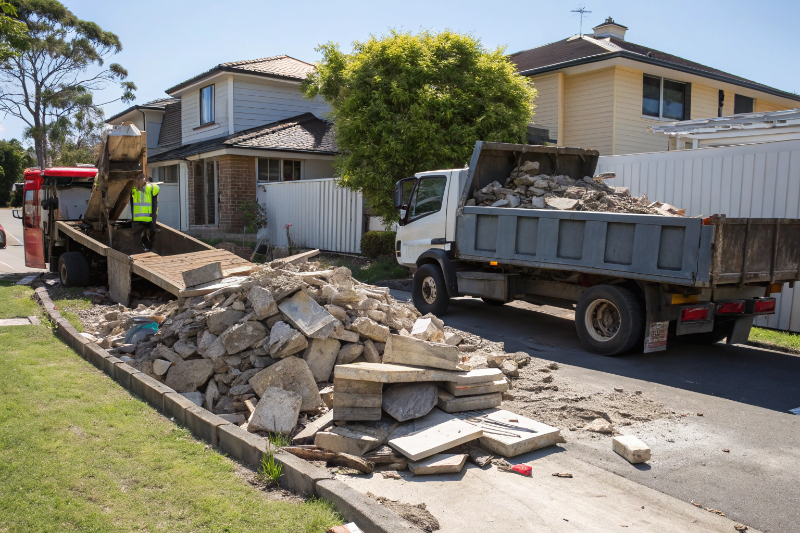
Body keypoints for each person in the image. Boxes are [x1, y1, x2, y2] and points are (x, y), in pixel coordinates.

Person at [131, 173, 159, 252]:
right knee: (148, 235)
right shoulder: (151, 188)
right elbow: (157, 188)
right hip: (148, 219)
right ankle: (148, 248)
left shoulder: (134, 189)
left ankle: (143, 248)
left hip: (138, 219)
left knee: (138, 237)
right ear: (145, 180)